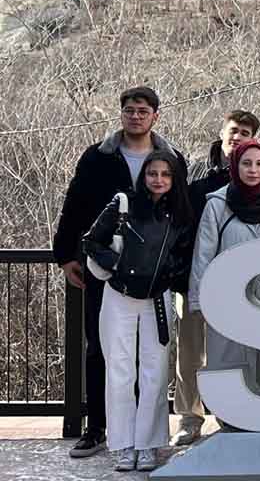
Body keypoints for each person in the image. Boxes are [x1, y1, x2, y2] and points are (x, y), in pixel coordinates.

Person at [53, 86, 186, 458]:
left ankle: (144, 440)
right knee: (101, 349)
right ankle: (97, 428)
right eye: (129, 110)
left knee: (149, 360)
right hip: (107, 273)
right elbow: (74, 205)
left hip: (153, 278)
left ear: (155, 116)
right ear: (121, 114)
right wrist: (66, 255)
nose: (135, 116)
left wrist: (175, 271)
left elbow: (182, 217)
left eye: (143, 111)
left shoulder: (171, 158)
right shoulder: (98, 157)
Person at [82, 151, 194, 472]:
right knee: (119, 372)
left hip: (157, 299)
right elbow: (92, 242)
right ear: (143, 176)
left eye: (165, 174)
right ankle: (123, 444)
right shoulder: (122, 204)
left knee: (155, 373)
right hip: (119, 296)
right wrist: (115, 265)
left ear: (174, 179)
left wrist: (167, 275)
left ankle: (148, 444)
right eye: (152, 173)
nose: (158, 180)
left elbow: (185, 256)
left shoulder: (180, 214)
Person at [188, 139, 260, 415]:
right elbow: (203, 255)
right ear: (235, 165)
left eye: (259, 164)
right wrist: (200, 301)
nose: (253, 170)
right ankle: (230, 422)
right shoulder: (217, 205)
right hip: (226, 302)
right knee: (229, 363)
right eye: (246, 163)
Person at [175, 108, 259, 445]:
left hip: (239, 286)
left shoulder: (257, 174)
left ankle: (232, 412)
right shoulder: (195, 171)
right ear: (222, 132)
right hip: (193, 278)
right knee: (191, 351)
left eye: (245, 132)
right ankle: (189, 417)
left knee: (234, 351)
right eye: (234, 130)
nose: (237, 137)